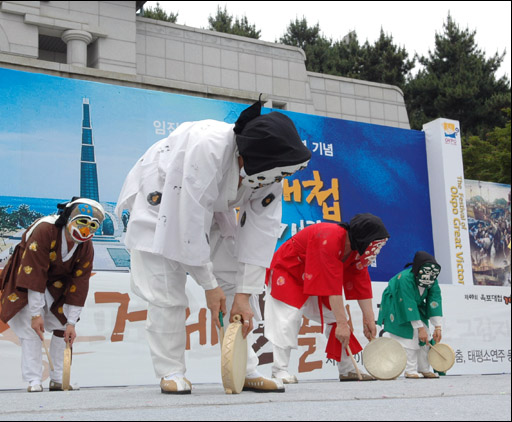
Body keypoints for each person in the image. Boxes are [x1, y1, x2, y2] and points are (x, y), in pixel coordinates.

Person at [116, 101, 311, 394]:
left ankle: (244, 368)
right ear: (248, 159)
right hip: (160, 201)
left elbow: (260, 233)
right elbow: (186, 221)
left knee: (234, 282)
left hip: (211, 208)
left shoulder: (272, 170)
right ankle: (171, 371)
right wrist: (208, 285)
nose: (282, 180)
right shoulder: (206, 148)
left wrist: (244, 294)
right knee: (167, 292)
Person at [0, 197, 105, 392]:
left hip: (59, 286)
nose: (86, 230)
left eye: (93, 226)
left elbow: (80, 283)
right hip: (28, 279)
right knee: (32, 330)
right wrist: (36, 314)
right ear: (68, 218)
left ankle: (59, 378)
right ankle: (34, 380)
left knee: (64, 330)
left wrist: (72, 322)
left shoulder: (86, 246)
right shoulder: (45, 230)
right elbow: (34, 273)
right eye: (82, 222)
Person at [264, 214, 390, 383]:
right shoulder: (328, 237)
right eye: (376, 244)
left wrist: (369, 319)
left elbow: (361, 283)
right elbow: (332, 286)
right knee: (288, 316)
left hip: (315, 276)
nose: (377, 250)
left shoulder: (355, 252)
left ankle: (347, 369)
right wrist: (342, 323)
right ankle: (279, 370)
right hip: (289, 270)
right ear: (365, 238)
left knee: (335, 318)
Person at [377, 251, 443, 379]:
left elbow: (435, 301)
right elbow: (408, 302)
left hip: (415, 307)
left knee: (426, 337)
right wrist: (419, 328)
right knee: (410, 338)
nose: (429, 276)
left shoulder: (432, 278)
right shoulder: (406, 279)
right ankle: (410, 369)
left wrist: (438, 327)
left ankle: (424, 368)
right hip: (397, 303)